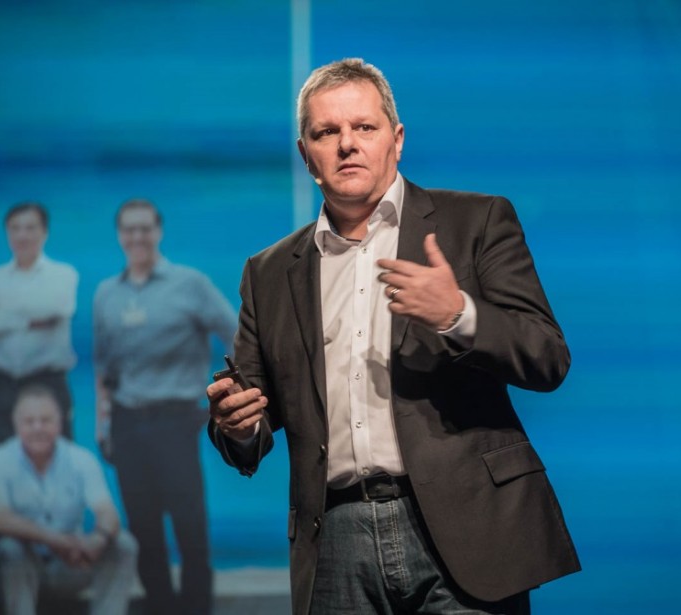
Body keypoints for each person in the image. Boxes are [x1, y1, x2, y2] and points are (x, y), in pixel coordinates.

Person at [207, 58, 581, 615]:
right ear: (305, 153)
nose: (346, 145)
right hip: (335, 538)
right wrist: (236, 425)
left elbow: (547, 357)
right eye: (326, 132)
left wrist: (459, 313)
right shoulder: (268, 272)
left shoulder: (475, 222)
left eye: (364, 127)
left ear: (397, 139)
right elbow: (253, 419)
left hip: (465, 525)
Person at [93, 198, 238, 614]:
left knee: (190, 529)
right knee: (143, 532)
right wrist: (103, 424)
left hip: (176, 421)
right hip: (126, 423)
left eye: (144, 229)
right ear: (120, 236)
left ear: (158, 231)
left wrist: (224, 394)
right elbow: (103, 366)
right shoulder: (106, 293)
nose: (137, 237)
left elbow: (235, 334)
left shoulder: (189, 284)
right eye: (128, 230)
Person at [0, 384, 137, 615]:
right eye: (29, 421)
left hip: (72, 563)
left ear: (60, 421)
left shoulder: (81, 459)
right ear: (16, 423)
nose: (38, 428)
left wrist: (96, 540)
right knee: (8, 548)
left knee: (123, 544)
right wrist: (58, 541)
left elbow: (107, 512)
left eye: (46, 420)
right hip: (25, 567)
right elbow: (0, 520)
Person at [0, 201, 78, 447]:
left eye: (30, 228)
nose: (22, 235)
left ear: (45, 232)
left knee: (58, 459)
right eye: (15, 228)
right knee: (1, 457)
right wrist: (28, 319)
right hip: (4, 384)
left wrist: (4, 316)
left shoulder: (62, 274)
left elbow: (57, 309)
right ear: (7, 233)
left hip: (48, 381)